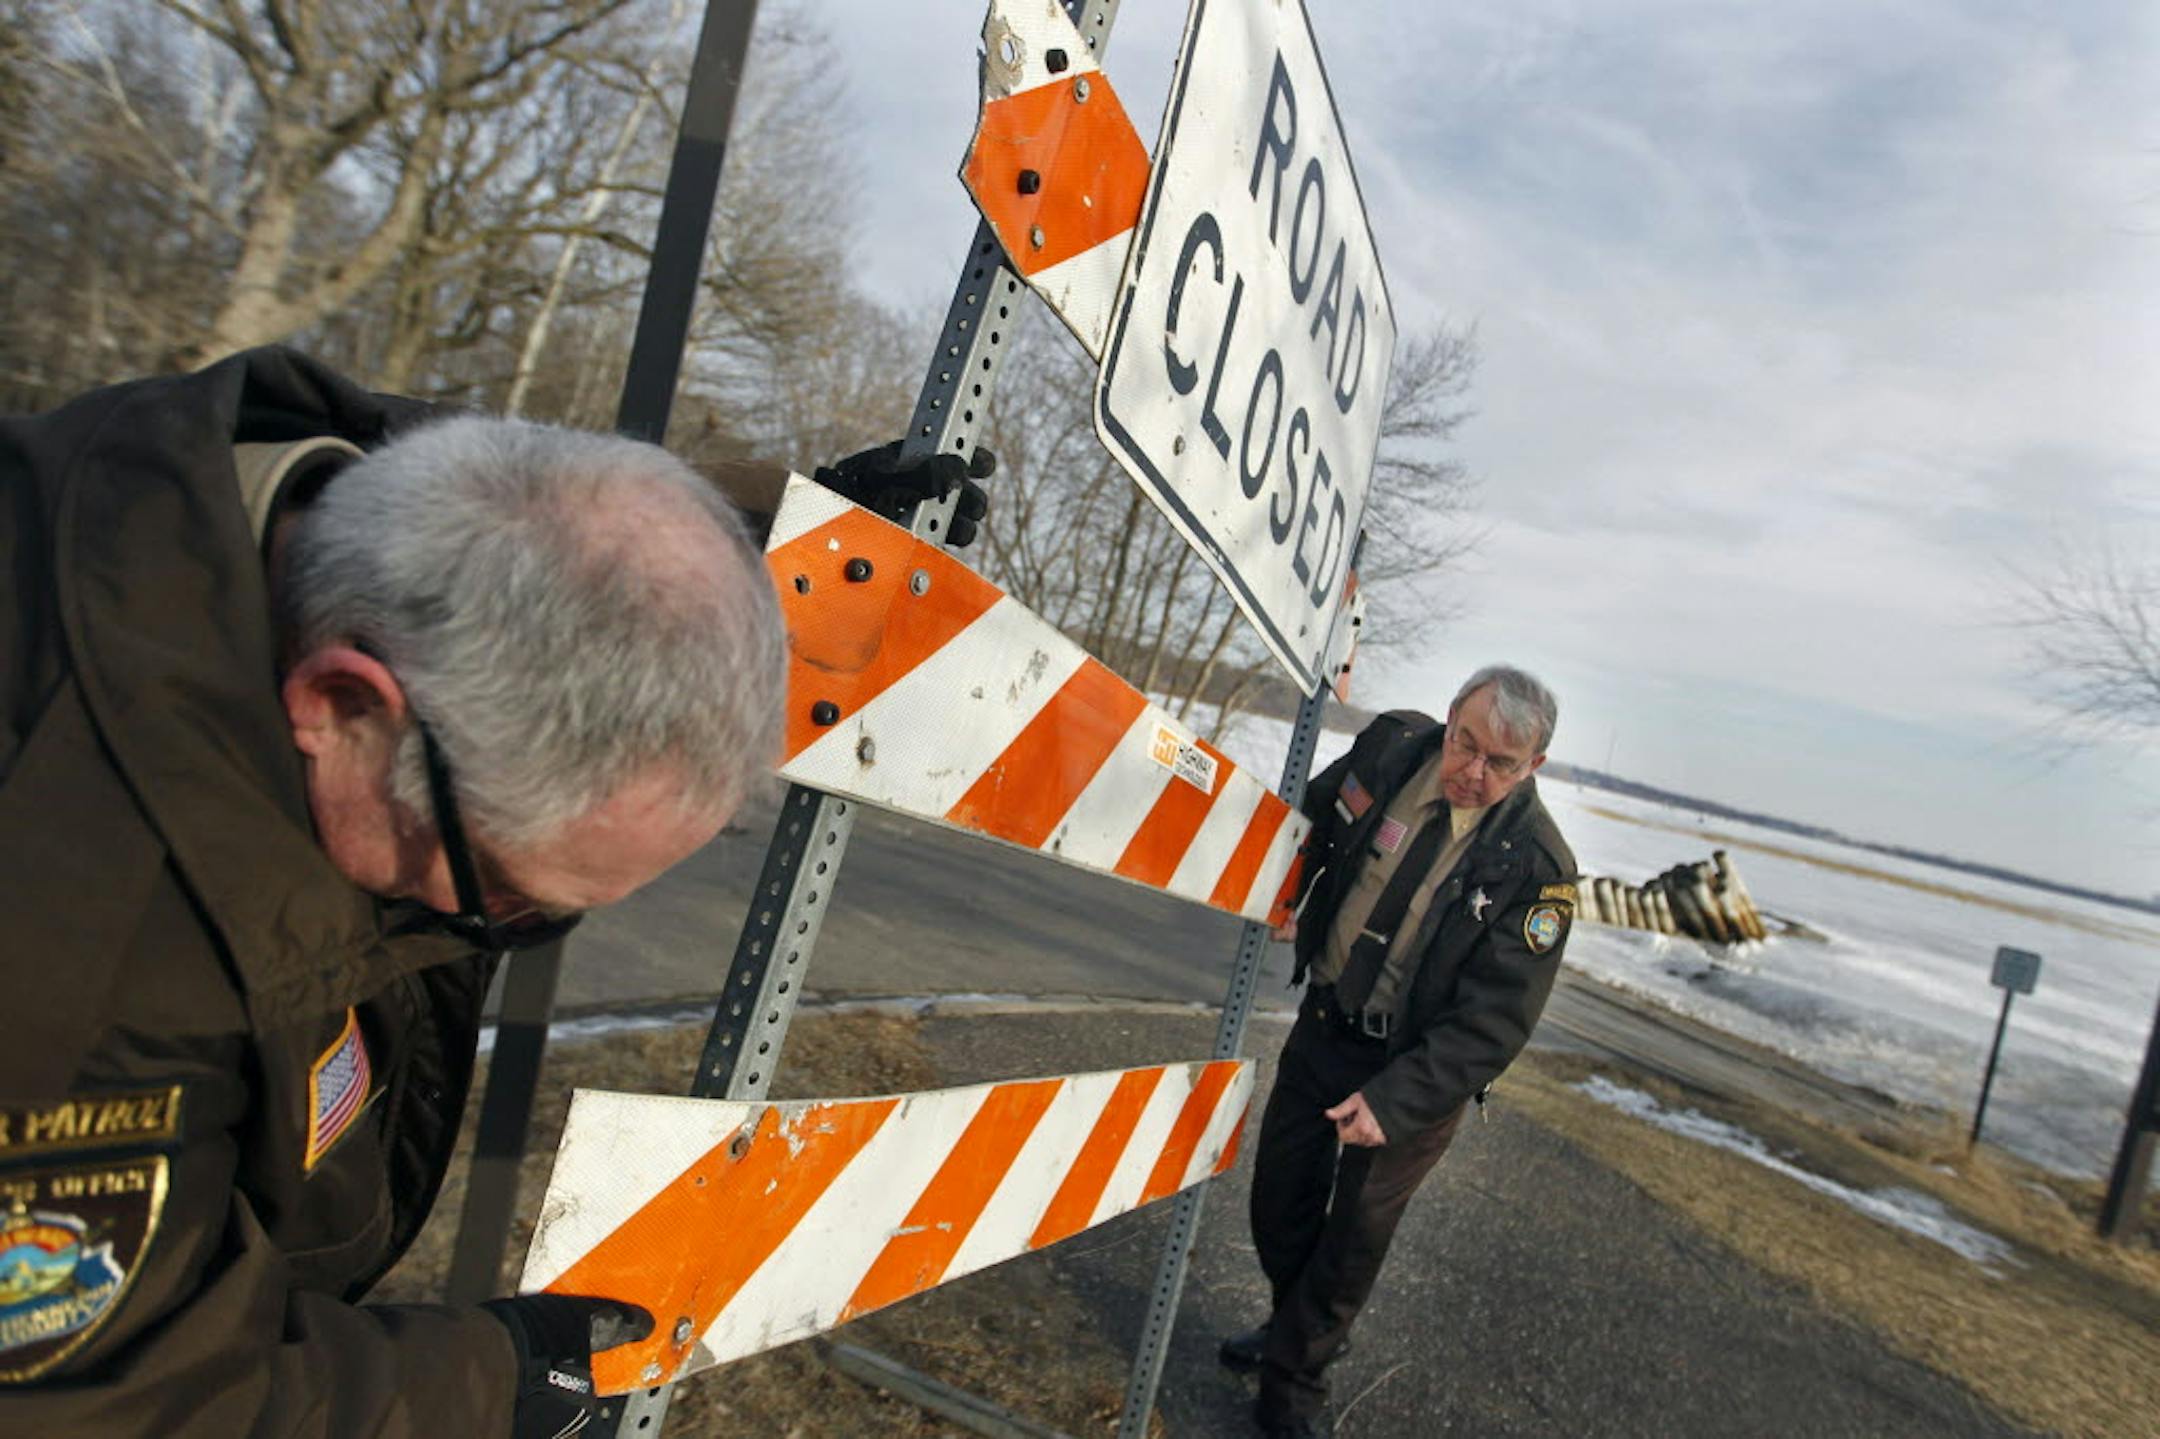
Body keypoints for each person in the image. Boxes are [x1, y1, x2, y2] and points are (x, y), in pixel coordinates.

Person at [0, 347, 985, 1435]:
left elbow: (540, 516)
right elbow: (111, 1398)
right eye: (514, 900)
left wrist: (777, 542)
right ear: (341, 705)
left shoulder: (309, 496)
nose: (517, 933)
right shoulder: (72, 968)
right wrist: (485, 1379)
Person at [1221, 667, 1579, 1437]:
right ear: (1449, 718)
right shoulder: (1389, 749)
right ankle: (1293, 1328)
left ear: (1533, 769)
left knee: (1351, 1241)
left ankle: (1292, 1390)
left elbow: (1494, 1021)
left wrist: (1395, 1101)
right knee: (1278, 1200)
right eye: (1466, 744)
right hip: (1325, 1027)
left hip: (1407, 1075)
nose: (1473, 771)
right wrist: (1289, 886)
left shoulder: (1539, 869)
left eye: (1501, 764)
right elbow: (1313, 821)